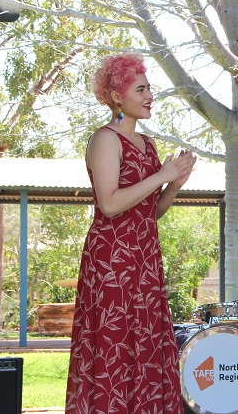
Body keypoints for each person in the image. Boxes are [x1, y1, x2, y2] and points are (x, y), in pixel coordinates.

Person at [66, 53, 196, 413]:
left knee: (148, 346)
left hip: (144, 259)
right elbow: (109, 205)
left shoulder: (148, 146)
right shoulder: (105, 139)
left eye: (150, 88)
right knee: (114, 343)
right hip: (111, 262)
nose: (150, 95)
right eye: (141, 89)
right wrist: (162, 176)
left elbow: (148, 214)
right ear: (117, 97)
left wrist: (174, 185)